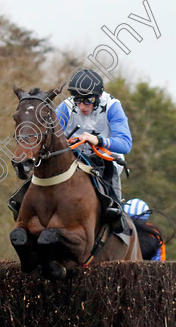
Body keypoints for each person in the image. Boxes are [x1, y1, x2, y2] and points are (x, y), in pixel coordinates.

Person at [56, 69, 133, 225]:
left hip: (104, 163)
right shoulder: (66, 107)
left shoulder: (112, 106)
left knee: (115, 215)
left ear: (98, 97)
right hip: (74, 161)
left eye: (88, 101)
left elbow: (125, 144)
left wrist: (98, 140)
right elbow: (49, 135)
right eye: (78, 100)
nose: (82, 107)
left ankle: (118, 222)